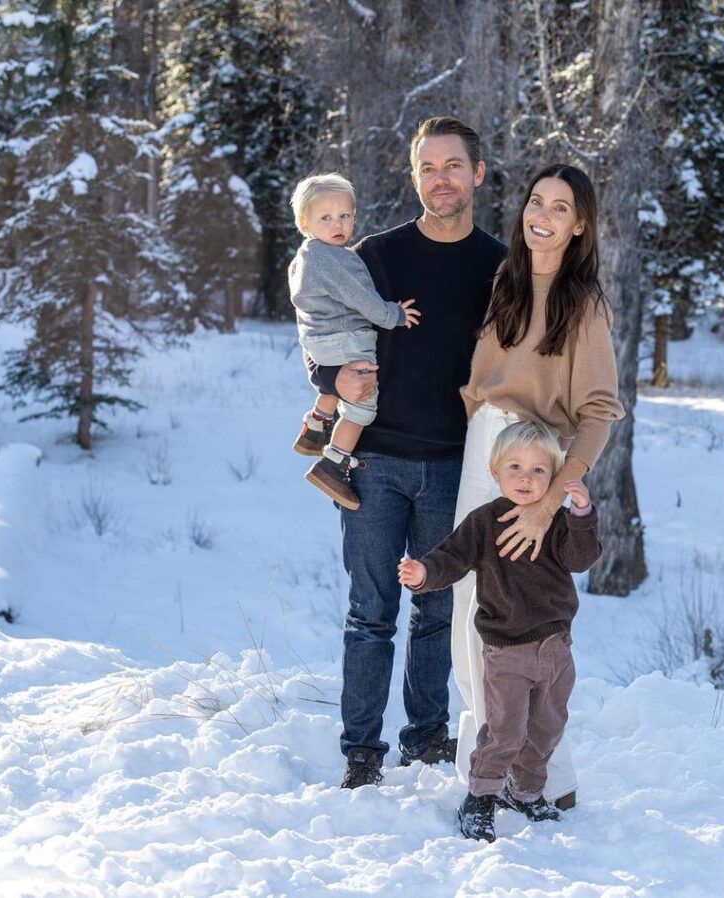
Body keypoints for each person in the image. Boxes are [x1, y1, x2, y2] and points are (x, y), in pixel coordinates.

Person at [308, 117, 506, 789]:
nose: (440, 177)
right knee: (371, 613)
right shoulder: (375, 255)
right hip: (377, 462)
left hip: (458, 464)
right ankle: (361, 751)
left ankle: (425, 736)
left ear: (477, 174)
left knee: (439, 609)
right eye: (428, 167)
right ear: (414, 175)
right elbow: (325, 331)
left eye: (453, 165)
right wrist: (327, 382)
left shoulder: (499, 265)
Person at [451, 163, 625, 809]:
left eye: (559, 208)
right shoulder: (509, 279)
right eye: (534, 202)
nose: (541, 216)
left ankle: (546, 776)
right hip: (484, 449)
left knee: (517, 621)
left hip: (533, 462)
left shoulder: (584, 305)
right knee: (470, 613)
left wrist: (552, 498)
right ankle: (498, 767)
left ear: (580, 226)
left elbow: (600, 412)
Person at [399, 421, 601, 843]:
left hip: (555, 648)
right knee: (505, 730)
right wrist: (424, 573)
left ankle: (525, 792)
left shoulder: (557, 522)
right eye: (515, 467)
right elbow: (451, 558)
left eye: (538, 471)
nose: (526, 479)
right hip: (507, 650)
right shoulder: (485, 522)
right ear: (495, 472)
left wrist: (581, 515)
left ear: (554, 476)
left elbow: (581, 560)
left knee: (547, 725)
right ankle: (480, 797)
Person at [288, 172, 422, 510]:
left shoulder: (305, 256)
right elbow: (363, 300)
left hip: (320, 340)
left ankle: (317, 425)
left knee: (338, 384)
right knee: (361, 406)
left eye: (345, 216)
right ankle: (333, 464)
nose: (338, 224)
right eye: (326, 217)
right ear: (305, 222)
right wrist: (394, 315)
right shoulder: (334, 259)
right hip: (345, 338)